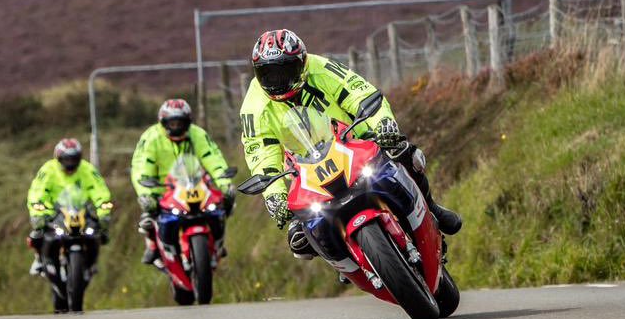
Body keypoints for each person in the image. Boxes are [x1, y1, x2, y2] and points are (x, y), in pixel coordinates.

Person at [239, 28, 462, 263]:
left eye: (284, 71)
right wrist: (274, 195)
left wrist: (383, 123)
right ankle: (344, 262)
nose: (278, 82)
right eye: (268, 74)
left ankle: (431, 208)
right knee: (300, 241)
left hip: (353, 141)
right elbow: (261, 152)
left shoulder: (321, 68)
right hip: (303, 169)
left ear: (302, 63)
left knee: (406, 153)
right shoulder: (253, 108)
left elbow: (360, 93)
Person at [131, 99, 235, 265]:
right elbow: (141, 167)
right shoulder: (151, 138)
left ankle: (217, 244)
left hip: (195, 186)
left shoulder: (198, 134)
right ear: (163, 122)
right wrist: (146, 194)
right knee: (148, 217)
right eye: (172, 123)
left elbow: (213, 158)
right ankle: (153, 246)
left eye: (180, 122)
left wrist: (225, 183)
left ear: (188, 121)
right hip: (162, 191)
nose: (176, 126)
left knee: (222, 206)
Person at [25, 138, 113, 275]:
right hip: (55, 213)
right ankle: (39, 259)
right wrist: (37, 212)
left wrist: (104, 212)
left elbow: (100, 191)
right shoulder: (48, 170)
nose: (70, 164)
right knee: (37, 232)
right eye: (67, 160)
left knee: (99, 232)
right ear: (59, 158)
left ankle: (92, 263)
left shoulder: (88, 169)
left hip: (81, 212)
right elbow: (37, 192)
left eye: (74, 159)